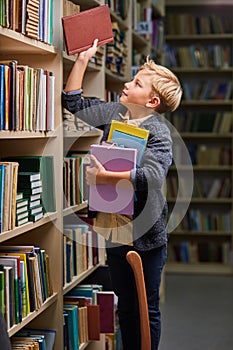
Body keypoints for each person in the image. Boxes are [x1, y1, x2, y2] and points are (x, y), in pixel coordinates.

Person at [62, 39, 182, 350]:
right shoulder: (114, 113)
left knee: (146, 307)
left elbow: (153, 176)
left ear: (152, 101)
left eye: (138, 83)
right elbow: (73, 102)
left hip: (147, 236)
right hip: (115, 226)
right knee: (125, 307)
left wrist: (103, 175)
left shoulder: (159, 132)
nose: (128, 84)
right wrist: (84, 58)